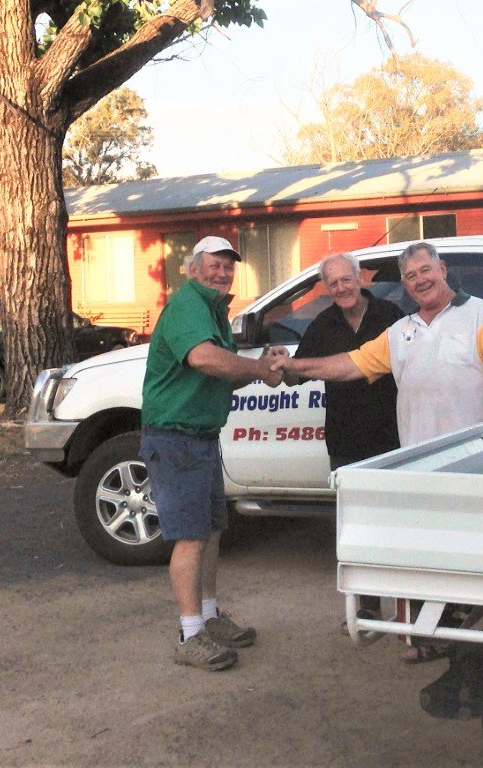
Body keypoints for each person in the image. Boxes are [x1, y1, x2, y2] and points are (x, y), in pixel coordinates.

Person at [140, 235, 284, 672]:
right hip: (175, 438)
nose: (222, 272)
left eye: (228, 266)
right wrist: (260, 368)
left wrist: (267, 366)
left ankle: (208, 616)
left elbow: (223, 374)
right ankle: (189, 634)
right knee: (190, 535)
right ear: (194, 268)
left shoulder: (213, 311)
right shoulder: (188, 305)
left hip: (200, 438)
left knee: (210, 531)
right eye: (214, 264)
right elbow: (205, 359)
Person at [282, 241, 483, 454]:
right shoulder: (399, 330)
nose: (420, 280)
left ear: (442, 269)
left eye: (425, 270)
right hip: (417, 460)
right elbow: (349, 365)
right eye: (411, 276)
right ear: (405, 284)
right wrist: (290, 364)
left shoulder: (481, 315)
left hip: (472, 455)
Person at [294, 253, 405, 472]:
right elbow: (294, 376)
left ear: (359, 278)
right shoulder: (322, 325)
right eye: (333, 283)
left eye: (346, 280)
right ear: (327, 288)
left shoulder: (390, 315)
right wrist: (279, 361)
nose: (341, 288)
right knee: (350, 506)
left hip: (391, 439)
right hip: (344, 445)